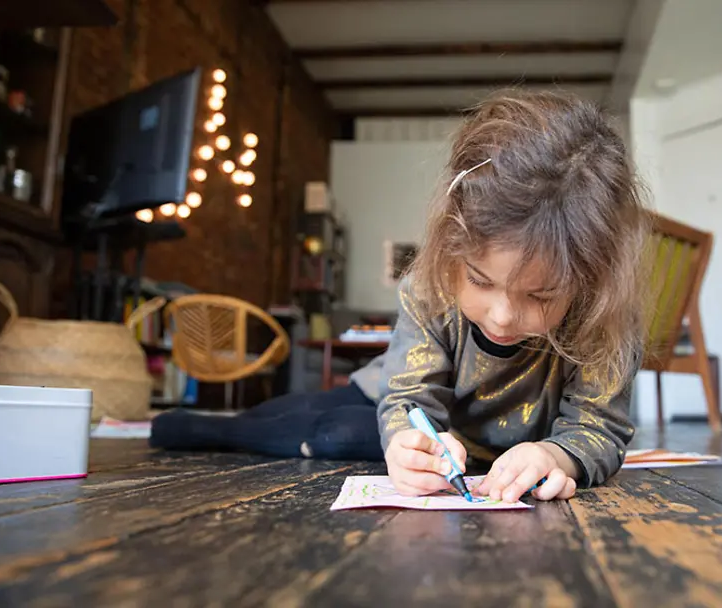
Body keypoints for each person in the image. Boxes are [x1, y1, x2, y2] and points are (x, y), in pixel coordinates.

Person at [150, 89, 653, 503]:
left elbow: (599, 430)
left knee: (339, 435)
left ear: (593, 277)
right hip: (384, 392)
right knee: (311, 418)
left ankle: (232, 425)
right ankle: (217, 427)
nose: (502, 317)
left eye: (541, 296)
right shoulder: (431, 283)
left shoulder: (605, 314)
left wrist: (558, 457)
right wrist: (405, 444)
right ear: (452, 247)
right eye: (479, 280)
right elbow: (408, 398)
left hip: (472, 443)